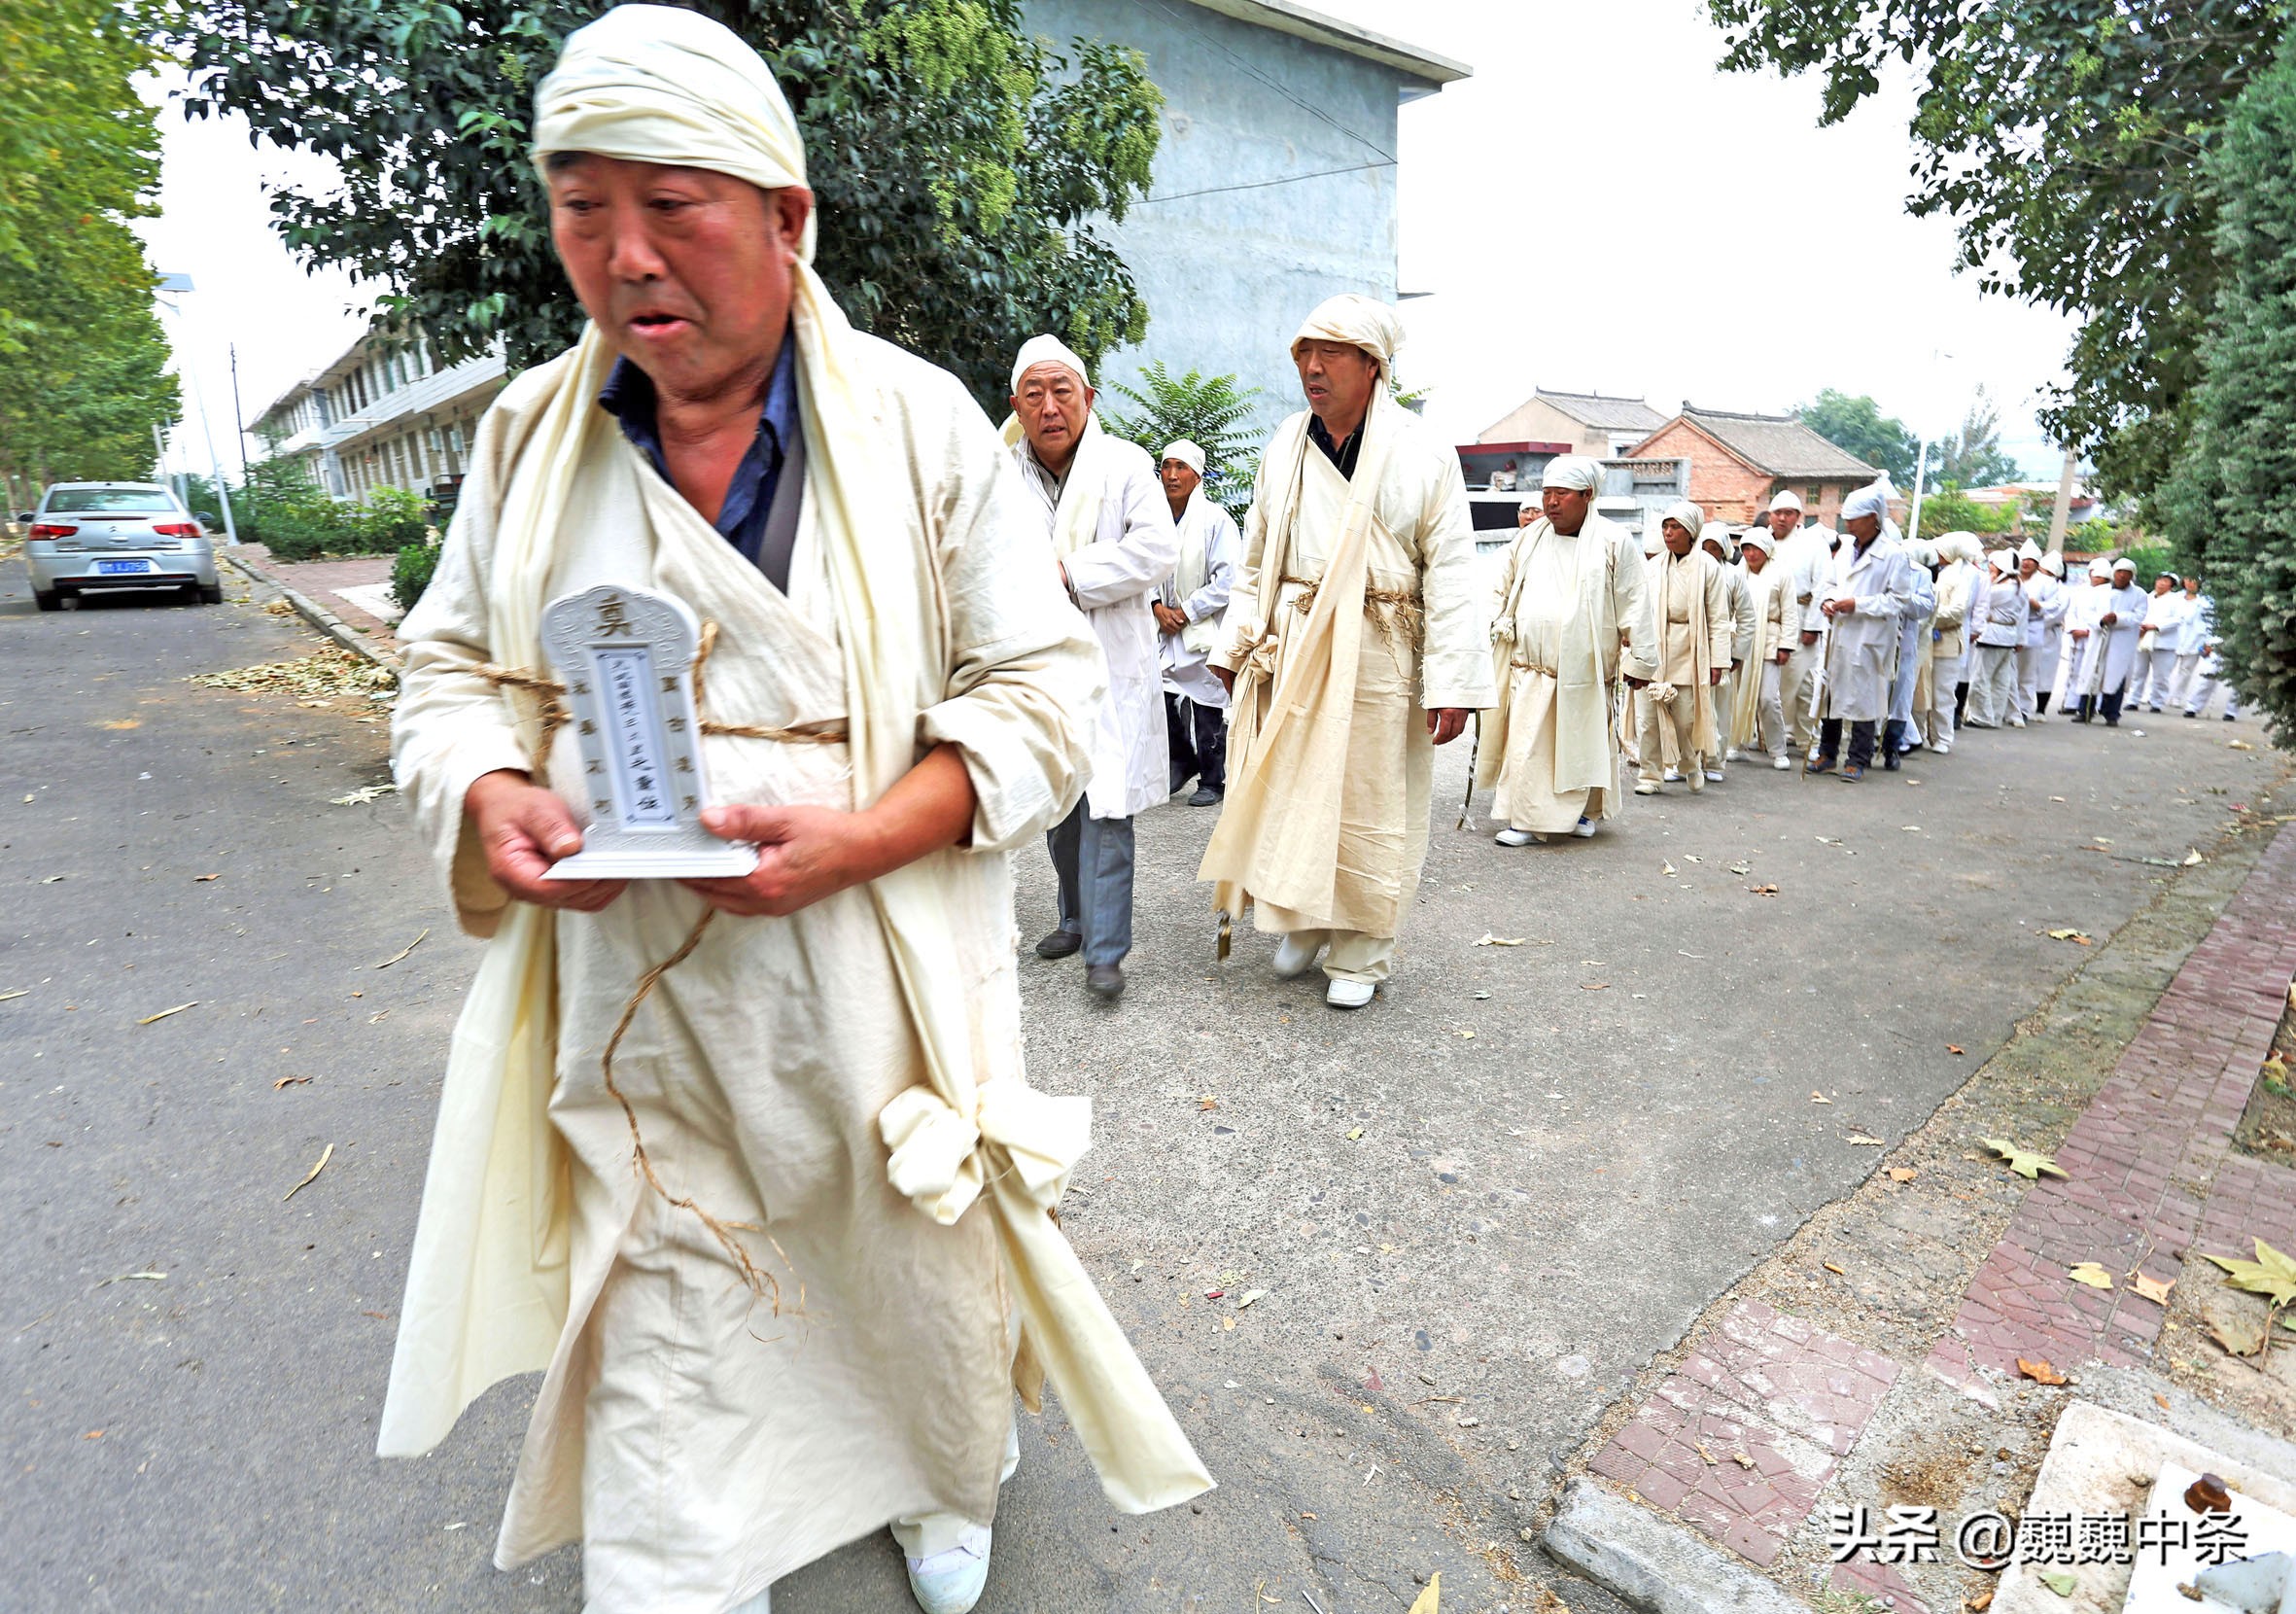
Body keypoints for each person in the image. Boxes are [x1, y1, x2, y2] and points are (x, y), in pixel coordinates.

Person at [381, 13, 1210, 1614]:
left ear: (787, 217)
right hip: (638, 1000)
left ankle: (934, 1469)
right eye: (579, 205)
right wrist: (486, 786)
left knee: (906, 1262)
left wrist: (865, 833)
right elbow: (446, 683)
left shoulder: (916, 430)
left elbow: (1042, 693)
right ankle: (694, 1550)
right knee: (672, 1282)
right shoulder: (523, 443)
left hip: (878, 974)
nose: (622, 257)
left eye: (673, 203)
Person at [1201, 295, 1490, 1010]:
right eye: (1304, 351)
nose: (1311, 365)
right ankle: (1302, 917)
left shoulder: (1423, 451)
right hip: (1296, 642)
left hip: (1379, 652)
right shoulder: (1285, 444)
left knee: (1369, 801)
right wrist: (1235, 642)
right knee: (1293, 791)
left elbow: (1453, 571)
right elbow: (1257, 553)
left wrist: (1450, 682)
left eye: (1330, 352)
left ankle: (1361, 948)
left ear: (1373, 365)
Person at [1007, 334, 1178, 1000]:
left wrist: (1068, 572)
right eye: (1035, 394)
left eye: (1063, 391)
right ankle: (1074, 918)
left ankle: (1106, 951)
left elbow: (1156, 548)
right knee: (1059, 803)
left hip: (1112, 663)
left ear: (1088, 399)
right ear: (1016, 406)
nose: (1051, 407)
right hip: (1037, 664)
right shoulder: (997, 474)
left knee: (1107, 808)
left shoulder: (1126, 464)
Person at [1478, 454, 1657, 845]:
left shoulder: (1614, 541)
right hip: (1530, 667)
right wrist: (1491, 623)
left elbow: (1635, 602)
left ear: (1587, 495)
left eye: (1562, 493)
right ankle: (1524, 819)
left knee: (1583, 741)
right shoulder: (1530, 536)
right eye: (1547, 493)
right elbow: (1501, 584)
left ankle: (1584, 811)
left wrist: (1641, 661)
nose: (1551, 502)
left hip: (1585, 669)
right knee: (1529, 744)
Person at [1806, 481, 1914, 781]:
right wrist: (1828, 601)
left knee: (1863, 698)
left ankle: (1858, 757)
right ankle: (1827, 753)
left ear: (1873, 519)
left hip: (1869, 637)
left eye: (1854, 518)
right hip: (1838, 633)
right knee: (1830, 694)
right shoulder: (1843, 552)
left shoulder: (1893, 555)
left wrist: (1858, 604)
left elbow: (1898, 600)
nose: (1848, 522)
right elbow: (1827, 585)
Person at [1155, 439, 1238, 807]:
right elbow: (1140, 569)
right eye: (1166, 466)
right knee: (1155, 694)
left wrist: (1186, 611)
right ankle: (1181, 758)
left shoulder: (1215, 520)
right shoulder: (1150, 517)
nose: (1172, 475)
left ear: (1197, 474)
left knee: (1206, 703)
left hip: (1201, 627)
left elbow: (1228, 580)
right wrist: (1156, 606)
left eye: (1181, 467)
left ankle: (1212, 779)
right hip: (1160, 626)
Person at [1633, 501, 1733, 794]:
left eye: (1675, 527)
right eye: (1665, 526)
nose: (1669, 533)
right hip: (1654, 648)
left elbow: (1717, 617)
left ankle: (1690, 763)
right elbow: (1638, 610)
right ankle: (1650, 776)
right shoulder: (1652, 567)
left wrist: (1719, 662)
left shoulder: (1709, 568)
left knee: (1686, 718)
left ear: (1691, 532)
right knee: (1648, 718)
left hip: (1690, 650)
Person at [1731, 525, 1797, 767]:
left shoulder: (1781, 574)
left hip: (1769, 640)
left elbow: (1790, 613)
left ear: (1767, 549)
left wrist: (1786, 645)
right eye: (1746, 548)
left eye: (1756, 548)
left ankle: (1777, 750)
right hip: (1742, 640)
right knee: (1737, 695)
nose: (1750, 554)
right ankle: (1736, 744)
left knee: (1769, 698)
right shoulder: (1737, 573)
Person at [1767, 490, 1826, 754]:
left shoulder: (1813, 544)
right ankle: (1770, 736)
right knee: (1769, 685)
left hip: (1802, 619)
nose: (1782, 519)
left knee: (1804, 684)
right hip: (1769, 623)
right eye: (1778, 513)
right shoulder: (1760, 541)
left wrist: (1812, 625)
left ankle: (1807, 738)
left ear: (1798, 517)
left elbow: (1823, 586)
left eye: (1788, 513)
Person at [1700, 527, 1757, 778]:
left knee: (1720, 708)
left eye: (1714, 548)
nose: (1709, 553)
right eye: (1705, 547)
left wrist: (1736, 654)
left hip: (1722, 647)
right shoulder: (1690, 571)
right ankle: (1685, 761)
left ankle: (1714, 762)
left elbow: (1746, 617)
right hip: (1690, 647)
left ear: (1723, 550)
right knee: (1688, 706)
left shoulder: (1733, 576)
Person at [1923, 533, 1981, 754]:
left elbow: (1958, 610)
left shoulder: (1960, 577)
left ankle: (1943, 737)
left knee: (1943, 692)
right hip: (1926, 639)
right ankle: (1922, 733)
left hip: (1947, 641)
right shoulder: (1932, 572)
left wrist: (1930, 616)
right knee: (1922, 690)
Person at [1883, 535, 1937, 765]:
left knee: (1899, 698)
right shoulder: (1881, 568)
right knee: (1872, 695)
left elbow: (1926, 606)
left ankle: (1892, 749)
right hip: (1878, 640)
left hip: (1904, 643)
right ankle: (1863, 749)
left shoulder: (1921, 574)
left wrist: (1903, 598)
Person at [2075, 556, 2149, 725]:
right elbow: (2087, 612)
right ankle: (2085, 711)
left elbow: (2139, 615)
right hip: (2099, 638)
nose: (2122, 576)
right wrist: (2101, 621)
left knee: (2116, 676)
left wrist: (2118, 619)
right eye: (2119, 572)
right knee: (2092, 673)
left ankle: (2112, 714)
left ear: (2132, 576)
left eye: (2127, 573)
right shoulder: (2099, 591)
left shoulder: (2139, 594)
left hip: (2122, 642)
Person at [1965, 550, 2027, 729]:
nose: (1989, 568)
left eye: (1992, 565)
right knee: (2001, 681)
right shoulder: (2018, 588)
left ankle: (1981, 717)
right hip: (2008, 638)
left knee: (1980, 678)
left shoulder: (2001, 589)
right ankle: (1995, 715)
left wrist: (1988, 582)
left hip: (1992, 636)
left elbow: (1979, 599)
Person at [2057, 558, 2110, 718]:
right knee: (2075, 671)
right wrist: (2074, 629)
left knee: (2096, 671)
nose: (2095, 578)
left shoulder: (2110, 593)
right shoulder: (2080, 590)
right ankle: (2071, 702)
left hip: (2097, 636)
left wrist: (2090, 630)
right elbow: (2071, 612)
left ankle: (2095, 705)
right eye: (2094, 574)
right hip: (2078, 637)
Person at [2182, 586, 2241, 719]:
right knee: (2208, 676)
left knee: (2239, 683)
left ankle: (2231, 712)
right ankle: (2193, 707)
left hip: (2242, 647)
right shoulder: (2218, 607)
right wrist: (2208, 644)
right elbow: (2209, 627)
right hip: (2217, 646)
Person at [2135, 572, 2190, 712]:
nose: (2161, 583)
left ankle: (2157, 703)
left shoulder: (2177, 600)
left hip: (2164, 642)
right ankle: (2133, 700)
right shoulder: (2146, 597)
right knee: (2138, 672)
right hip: (2143, 639)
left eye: (2165, 581)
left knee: (2161, 676)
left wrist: (2156, 626)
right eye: (2160, 580)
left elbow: (2178, 619)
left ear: (2171, 585)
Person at [2030, 550, 2068, 713]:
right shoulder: (2032, 584)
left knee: (2046, 673)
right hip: (2031, 633)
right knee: (2026, 672)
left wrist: (2035, 621)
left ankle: (2041, 709)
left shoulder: (2063, 592)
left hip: (2049, 636)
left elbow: (2054, 615)